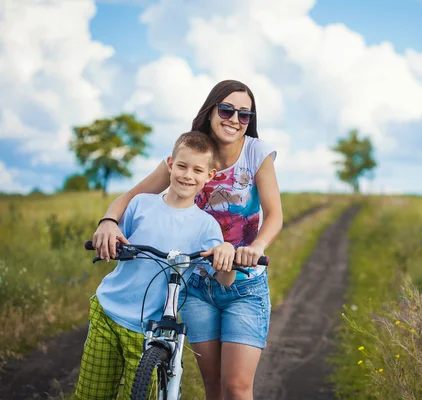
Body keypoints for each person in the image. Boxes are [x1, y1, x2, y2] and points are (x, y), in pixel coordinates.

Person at [91, 80, 283, 400]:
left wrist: (256, 247)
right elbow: (132, 196)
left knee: (236, 387)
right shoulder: (190, 155)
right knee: (214, 388)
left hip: (244, 282)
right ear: (210, 111)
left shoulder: (256, 152)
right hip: (196, 283)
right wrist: (109, 221)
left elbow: (274, 214)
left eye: (245, 114)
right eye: (226, 109)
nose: (234, 119)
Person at [75, 131, 236, 400]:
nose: (187, 175)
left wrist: (227, 251)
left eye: (197, 170)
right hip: (108, 311)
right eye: (182, 166)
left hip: (152, 331)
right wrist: (108, 234)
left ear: (209, 176)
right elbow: (115, 238)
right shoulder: (140, 204)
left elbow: (225, 279)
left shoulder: (206, 226)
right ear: (170, 164)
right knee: (90, 394)